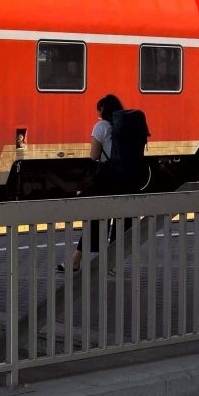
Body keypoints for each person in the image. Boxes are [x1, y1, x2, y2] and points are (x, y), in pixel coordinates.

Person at [59, 93, 123, 273]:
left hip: (106, 179)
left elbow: (94, 155)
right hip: (124, 179)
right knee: (119, 220)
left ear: (103, 111)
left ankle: (75, 261)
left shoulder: (101, 126)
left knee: (95, 219)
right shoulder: (124, 125)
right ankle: (112, 264)